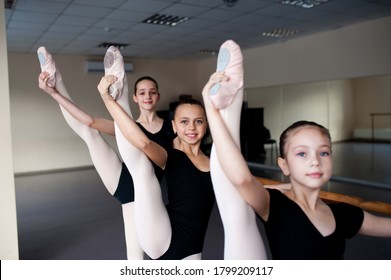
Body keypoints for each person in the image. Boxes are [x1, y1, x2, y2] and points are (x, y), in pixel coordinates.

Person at [202, 66, 391, 259]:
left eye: (323, 152)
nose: (315, 161)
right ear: (284, 165)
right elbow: (241, 178)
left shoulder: (344, 213)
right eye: (302, 154)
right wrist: (211, 110)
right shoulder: (273, 205)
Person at [37, 47, 175, 260]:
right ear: (136, 98)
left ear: (158, 96)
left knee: (135, 257)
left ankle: (118, 94)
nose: (147, 96)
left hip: (145, 194)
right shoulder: (127, 126)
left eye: (152, 91)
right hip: (122, 182)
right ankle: (57, 79)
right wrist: (54, 93)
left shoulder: (171, 127)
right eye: (142, 92)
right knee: (89, 132)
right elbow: (89, 121)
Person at [97, 46, 215, 260]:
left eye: (198, 121)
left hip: (193, 249)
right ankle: (120, 91)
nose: (191, 128)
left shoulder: (216, 163)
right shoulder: (172, 156)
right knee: (142, 170)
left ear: (206, 126)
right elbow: (142, 142)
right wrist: (108, 100)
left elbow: (245, 182)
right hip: (162, 237)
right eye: (184, 122)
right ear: (175, 127)